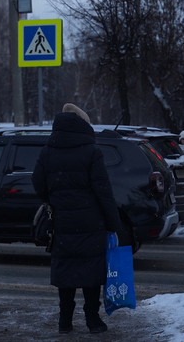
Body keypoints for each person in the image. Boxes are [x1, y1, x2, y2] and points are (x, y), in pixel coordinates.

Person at [31, 103, 123, 335]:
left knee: (66, 273)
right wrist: (113, 223)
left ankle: (65, 321)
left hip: (62, 222)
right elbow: (103, 190)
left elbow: (37, 183)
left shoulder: (48, 150)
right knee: (91, 272)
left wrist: (54, 199)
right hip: (91, 221)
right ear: (84, 125)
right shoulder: (91, 151)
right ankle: (93, 320)